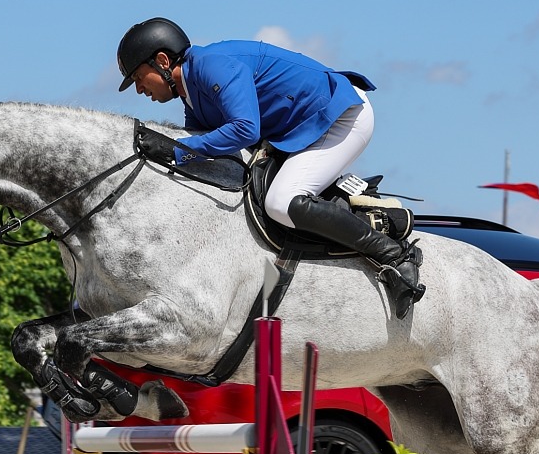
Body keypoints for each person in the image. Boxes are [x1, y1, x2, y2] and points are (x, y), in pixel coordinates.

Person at [117, 18, 424, 318]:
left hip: (340, 117)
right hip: (303, 131)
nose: (139, 89)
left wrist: (178, 150)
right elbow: (200, 150)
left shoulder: (211, 64)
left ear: (161, 61)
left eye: (138, 77)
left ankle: (395, 256)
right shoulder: (192, 97)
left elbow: (245, 130)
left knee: (281, 202)